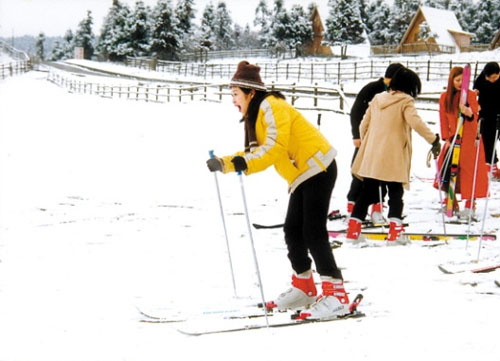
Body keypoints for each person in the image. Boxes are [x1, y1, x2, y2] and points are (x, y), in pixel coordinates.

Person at [206, 61, 350, 320]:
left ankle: (336, 294)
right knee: (293, 231)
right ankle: (304, 287)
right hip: (301, 175)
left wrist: (244, 162)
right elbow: (254, 153)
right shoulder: (256, 116)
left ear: (251, 92)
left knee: (312, 231)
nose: (233, 101)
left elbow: (275, 147)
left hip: (318, 167)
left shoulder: (272, 106)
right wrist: (226, 163)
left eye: (236, 94)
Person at [346, 68, 441, 244]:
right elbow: (415, 122)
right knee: (395, 193)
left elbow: (363, 125)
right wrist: (433, 140)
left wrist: (371, 143)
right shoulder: (405, 101)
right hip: (394, 157)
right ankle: (395, 234)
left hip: (373, 157)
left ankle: (353, 232)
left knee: (366, 194)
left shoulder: (377, 99)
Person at [343, 63, 405, 224]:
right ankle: (353, 205)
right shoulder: (372, 89)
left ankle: (377, 208)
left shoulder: (397, 93)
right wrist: (356, 135)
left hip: (383, 140)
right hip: (366, 138)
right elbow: (356, 112)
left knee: (382, 175)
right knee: (360, 173)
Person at [436, 66, 488, 220]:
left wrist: (468, 113)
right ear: (451, 80)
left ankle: (470, 204)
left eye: (461, 80)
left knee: (468, 170)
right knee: (445, 168)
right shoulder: (445, 97)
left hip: (469, 138)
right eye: (456, 80)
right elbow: (443, 118)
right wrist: (446, 138)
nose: (459, 83)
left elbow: (474, 117)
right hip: (452, 138)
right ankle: (450, 200)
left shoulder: (470, 95)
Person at [473, 62, 500, 179]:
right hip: (486, 114)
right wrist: (475, 100)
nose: (491, 80)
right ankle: (492, 166)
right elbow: (474, 92)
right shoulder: (481, 79)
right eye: (488, 78)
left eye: (494, 78)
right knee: (488, 141)